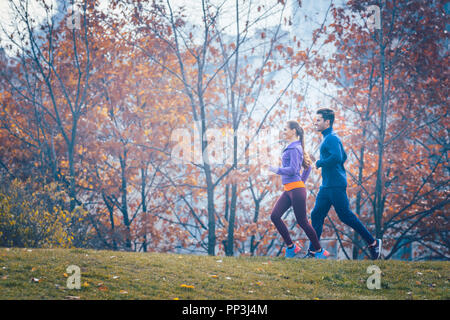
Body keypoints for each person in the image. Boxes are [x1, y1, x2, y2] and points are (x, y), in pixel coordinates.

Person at [305, 108, 382, 260]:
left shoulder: (331, 138)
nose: (316, 122)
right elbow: (343, 156)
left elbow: (338, 157)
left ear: (327, 122)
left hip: (335, 185)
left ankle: (373, 243)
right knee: (316, 214)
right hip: (327, 185)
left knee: (345, 216)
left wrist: (319, 162)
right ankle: (313, 252)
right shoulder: (329, 138)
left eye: (319, 120)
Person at [268, 120, 329, 259]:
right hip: (290, 189)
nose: (283, 132)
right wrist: (300, 182)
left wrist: (275, 169)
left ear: (293, 131)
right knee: (275, 216)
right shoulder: (295, 147)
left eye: (285, 129)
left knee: (302, 221)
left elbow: (293, 169)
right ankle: (291, 247)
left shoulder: (294, 148)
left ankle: (319, 251)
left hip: (295, 190)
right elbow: (307, 167)